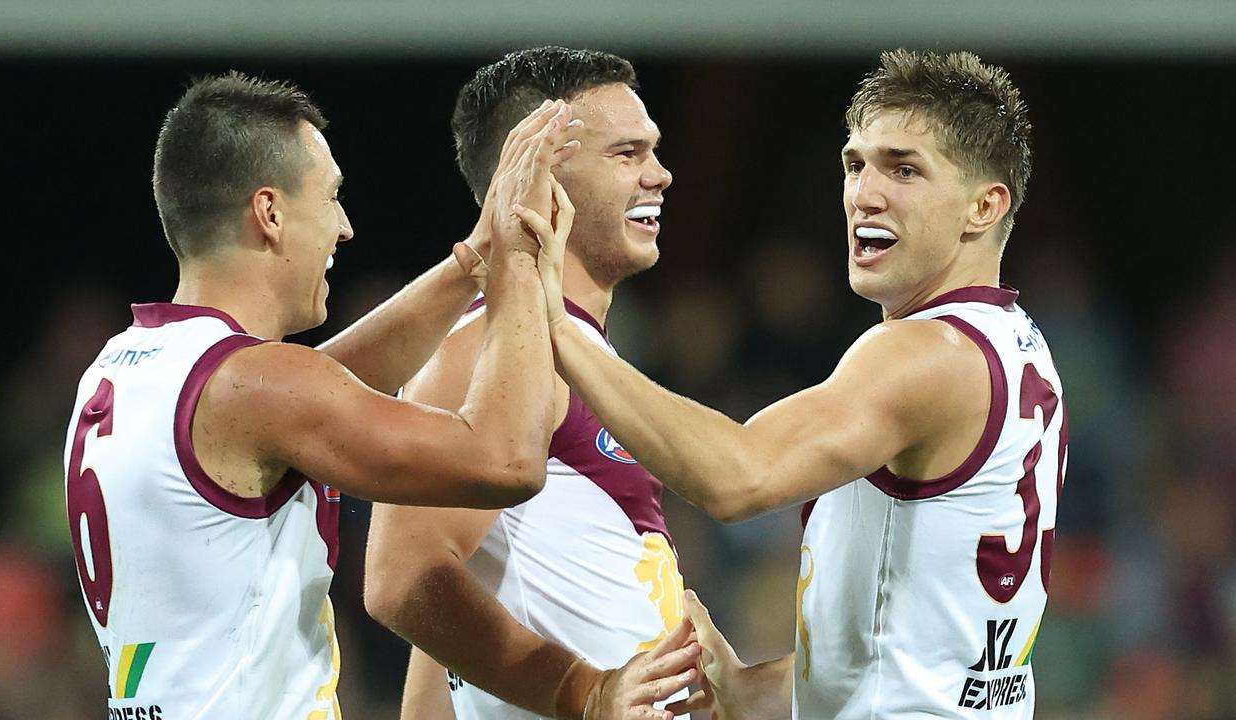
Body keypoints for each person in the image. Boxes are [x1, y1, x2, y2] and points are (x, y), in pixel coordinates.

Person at [539, 49, 1067, 719]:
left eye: (904, 169)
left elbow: (738, 477)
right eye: (855, 164)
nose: (864, 194)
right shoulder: (1019, 343)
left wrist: (558, 326)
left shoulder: (924, 352)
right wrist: (750, 687)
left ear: (983, 206)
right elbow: (931, 657)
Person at [63, 70, 582, 719]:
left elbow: (325, 382)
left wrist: (473, 258)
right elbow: (504, 462)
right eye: (331, 196)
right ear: (270, 212)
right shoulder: (260, 388)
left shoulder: (125, 368)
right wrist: (522, 268)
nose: (344, 227)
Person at [364, 47, 695, 720]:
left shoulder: (566, 346)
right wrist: (580, 692)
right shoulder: (483, 353)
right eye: (626, 154)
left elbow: (447, 621)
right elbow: (404, 581)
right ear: (543, 173)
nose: (659, 175)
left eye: (652, 151)